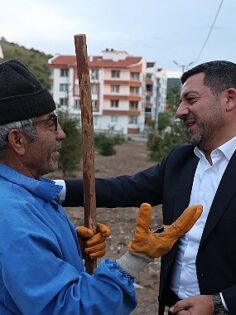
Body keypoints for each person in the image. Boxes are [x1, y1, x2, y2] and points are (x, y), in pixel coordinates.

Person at [0, 59, 202, 315]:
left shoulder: (28, 197)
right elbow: (70, 309)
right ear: (17, 140)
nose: (61, 133)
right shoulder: (13, 215)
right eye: (50, 123)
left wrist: (68, 247)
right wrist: (134, 260)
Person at [58, 60, 236, 315]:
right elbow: (123, 189)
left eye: (190, 99)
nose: (179, 111)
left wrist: (219, 303)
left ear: (229, 99)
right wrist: (52, 189)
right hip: (174, 307)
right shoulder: (180, 160)